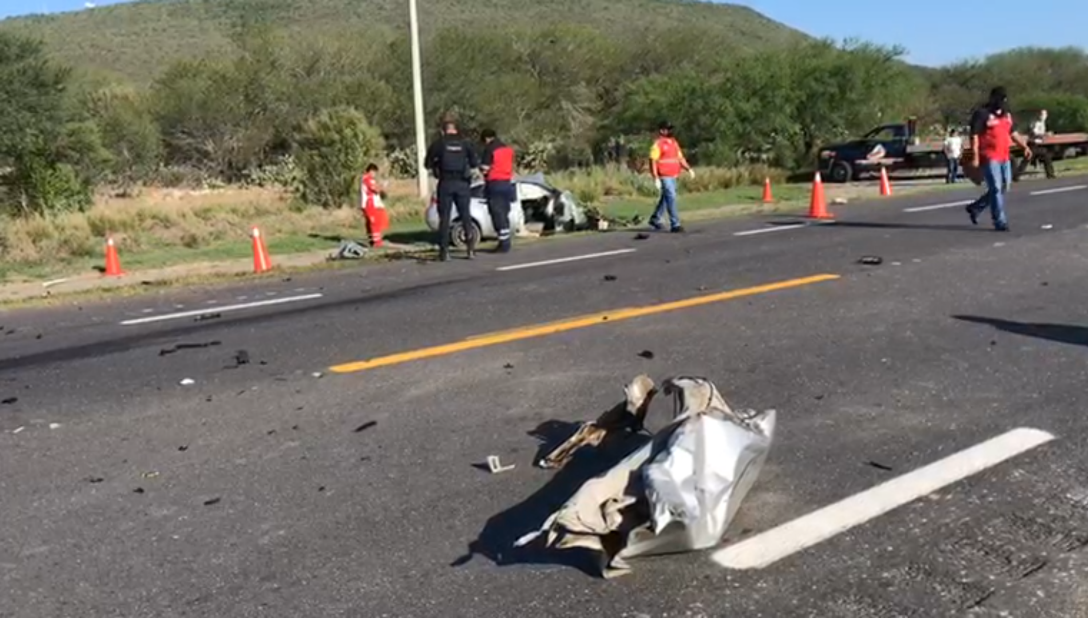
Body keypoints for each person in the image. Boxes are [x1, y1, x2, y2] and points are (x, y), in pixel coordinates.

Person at [965, 87, 1032, 232]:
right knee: (995, 187)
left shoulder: (1006, 115)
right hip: (988, 155)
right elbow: (974, 136)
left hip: (1004, 156)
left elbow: (1013, 133)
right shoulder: (982, 114)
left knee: (1003, 187)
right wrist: (975, 156)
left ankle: (976, 207)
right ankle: (999, 221)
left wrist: (1024, 147)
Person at [425, 119, 480, 261]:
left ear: (443, 131)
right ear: (456, 130)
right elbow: (474, 163)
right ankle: (471, 249)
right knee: (466, 216)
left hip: (446, 183)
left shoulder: (439, 144)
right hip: (463, 184)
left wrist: (437, 164)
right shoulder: (466, 143)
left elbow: (427, 164)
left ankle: (444, 252)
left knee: (445, 218)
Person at [649, 121, 694, 233]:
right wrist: (655, 177)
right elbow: (653, 161)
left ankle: (655, 218)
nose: (670, 131)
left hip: (673, 175)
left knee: (666, 197)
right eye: (667, 129)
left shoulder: (674, 143)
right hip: (664, 176)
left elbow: (680, 158)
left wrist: (688, 169)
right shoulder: (658, 144)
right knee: (671, 197)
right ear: (662, 130)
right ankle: (675, 224)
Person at [480, 128, 516, 253]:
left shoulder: (490, 149)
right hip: (507, 183)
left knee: (497, 213)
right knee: (504, 212)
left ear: (486, 138)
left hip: (495, 183)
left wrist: (482, 171)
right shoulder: (507, 149)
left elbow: (485, 168)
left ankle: (504, 243)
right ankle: (506, 240)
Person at [1016, 109, 1056, 180]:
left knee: (1047, 157)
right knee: (1027, 159)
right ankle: (1016, 176)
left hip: (1039, 144)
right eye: (1041, 114)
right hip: (1033, 144)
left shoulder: (1043, 123)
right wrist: (1045, 134)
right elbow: (1034, 133)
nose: (1042, 116)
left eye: (1044, 114)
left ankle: (1050, 174)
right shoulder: (1035, 123)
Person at [359, 163, 388, 247]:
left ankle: (371, 240)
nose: (375, 175)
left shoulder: (364, 178)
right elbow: (375, 189)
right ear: (371, 171)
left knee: (369, 223)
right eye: (375, 172)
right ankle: (377, 242)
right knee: (375, 222)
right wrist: (383, 186)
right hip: (370, 204)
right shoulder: (368, 179)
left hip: (366, 204)